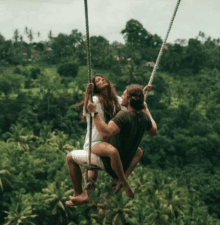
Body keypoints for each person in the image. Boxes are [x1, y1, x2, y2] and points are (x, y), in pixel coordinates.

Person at [67, 84, 157, 206]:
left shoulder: (123, 116)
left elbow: (105, 133)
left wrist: (94, 113)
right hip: (125, 165)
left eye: (124, 94)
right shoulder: (144, 117)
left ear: (130, 100)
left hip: (110, 164)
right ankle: (121, 179)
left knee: (70, 158)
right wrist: (146, 108)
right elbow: (153, 131)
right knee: (139, 151)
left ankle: (79, 193)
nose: (122, 96)